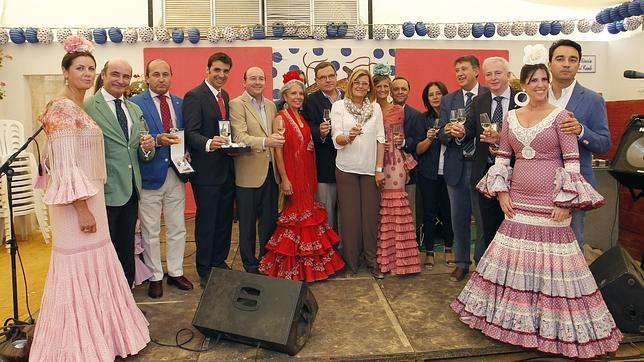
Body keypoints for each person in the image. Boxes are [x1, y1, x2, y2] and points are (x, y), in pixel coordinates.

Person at [451, 45, 622, 359]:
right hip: (517, 201)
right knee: (517, 264)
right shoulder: (512, 118)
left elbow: (572, 162)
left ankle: (553, 327)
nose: (540, 85)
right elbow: (503, 158)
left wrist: (565, 201)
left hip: (551, 202)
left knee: (555, 267)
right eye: (534, 80)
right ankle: (515, 322)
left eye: (544, 80)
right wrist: (501, 193)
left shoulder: (563, 116)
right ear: (524, 85)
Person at [31, 36, 149, 361]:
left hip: (91, 196)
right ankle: (79, 340)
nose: (86, 73)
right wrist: (82, 209)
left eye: (90, 68)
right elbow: (65, 166)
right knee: (79, 264)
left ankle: (101, 332)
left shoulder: (77, 107)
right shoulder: (61, 109)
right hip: (76, 205)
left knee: (98, 261)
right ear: (65, 73)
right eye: (79, 67)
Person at [259, 72, 345, 281]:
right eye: (293, 94)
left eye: (300, 93)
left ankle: (312, 265)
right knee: (297, 219)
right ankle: (293, 267)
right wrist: (285, 179)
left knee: (308, 216)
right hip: (293, 175)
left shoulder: (300, 116)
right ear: (285, 96)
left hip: (307, 173)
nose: (298, 97)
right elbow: (278, 151)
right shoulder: (281, 118)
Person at [85, 58, 156, 287]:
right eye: (115, 74)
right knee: (106, 253)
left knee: (126, 251)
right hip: (104, 191)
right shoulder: (88, 107)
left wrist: (148, 148)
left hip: (131, 191)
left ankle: (125, 302)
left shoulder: (134, 109)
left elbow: (140, 154)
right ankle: (107, 302)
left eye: (126, 76)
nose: (121, 80)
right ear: (103, 75)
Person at [130, 59, 193, 298]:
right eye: (155, 74)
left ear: (171, 76)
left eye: (165, 74)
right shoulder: (135, 103)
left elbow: (184, 134)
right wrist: (157, 140)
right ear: (147, 77)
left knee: (178, 227)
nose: (161, 79)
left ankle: (175, 272)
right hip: (149, 176)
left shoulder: (179, 103)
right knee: (151, 229)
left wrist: (186, 151)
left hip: (177, 173)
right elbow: (134, 137)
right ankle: (155, 275)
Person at [548, 39, 611, 249]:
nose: (566, 64)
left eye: (572, 60)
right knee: (542, 245)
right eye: (560, 58)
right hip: (538, 184)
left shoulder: (593, 100)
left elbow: (603, 144)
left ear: (578, 65)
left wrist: (581, 130)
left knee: (571, 245)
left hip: (575, 186)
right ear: (549, 64)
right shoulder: (538, 96)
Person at [183, 52, 235, 288]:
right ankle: (204, 269)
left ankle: (219, 261)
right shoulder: (194, 96)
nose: (221, 75)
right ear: (207, 70)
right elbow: (190, 133)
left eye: (225, 71)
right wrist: (208, 143)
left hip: (226, 169)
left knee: (224, 220)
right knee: (207, 222)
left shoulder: (224, 95)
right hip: (205, 172)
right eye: (217, 70)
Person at [331, 69, 386, 279]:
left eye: (365, 83)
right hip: (346, 168)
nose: (361, 86)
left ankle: (372, 261)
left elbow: (381, 139)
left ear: (369, 87)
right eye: (357, 82)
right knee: (350, 218)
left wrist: (379, 169)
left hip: (370, 170)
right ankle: (351, 262)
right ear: (350, 84)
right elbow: (336, 138)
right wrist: (348, 137)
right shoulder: (338, 106)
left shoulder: (375, 108)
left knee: (370, 218)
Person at [438, 55, 489, 282]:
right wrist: (448, 132)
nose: (459, 73)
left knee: (483, 219)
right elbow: (440, 132)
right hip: (456, 167)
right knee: (458, 218)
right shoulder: (449, 100)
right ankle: (461, 262)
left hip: (483, 167)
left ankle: (481, 264)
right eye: (456, 69)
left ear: (476, 70)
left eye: (464, 69)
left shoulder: (489, 96)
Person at [464, 57, 519, 264]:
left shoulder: (521, 99)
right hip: (486, 172)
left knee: (513, 227)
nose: (493, 78)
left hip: (517, 174)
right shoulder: (479, 101)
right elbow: (470, 129)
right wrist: (461, 131)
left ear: (508, 75)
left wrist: (503, 140)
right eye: (489, 74)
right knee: (488, 228)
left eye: (498, 73)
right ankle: (490, 275)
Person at [230, 66, 283, 274]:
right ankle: (250, 265)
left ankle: (266, 261)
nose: (258, 82)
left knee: (269, 221)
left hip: (271, 173)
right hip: (248, 174)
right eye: (253, 78)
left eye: (261, 78)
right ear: (244, 82)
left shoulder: (271, 105)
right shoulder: (236, 104)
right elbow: (239, 137)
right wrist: (266, 141)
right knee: (248, 225)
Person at [372, 68, 420, 275]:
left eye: (386, 86)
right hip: (373, 161)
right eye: (379, 86)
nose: (383, 89)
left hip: (394, 162)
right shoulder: (369, 109)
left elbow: (402, 137)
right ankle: (382, 258)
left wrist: (402, 141)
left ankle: (401, 262)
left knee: (397, 208)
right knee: (379, 209)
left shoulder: (398, 110)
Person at [412, 81, 454, 269]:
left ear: (445, 95)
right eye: (431, 95)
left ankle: (449, 249)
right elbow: (418, 150)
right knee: (428, 213)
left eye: (439, 93)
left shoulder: (453, 117)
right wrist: (429, 139)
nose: (436, 97)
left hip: (451, 173)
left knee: (448, 213)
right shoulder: (422, 119)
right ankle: (429, 252)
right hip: (428, 174)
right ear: (427, 99)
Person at [301, 62, 343, 230]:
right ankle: (330, 251)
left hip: (349, 166)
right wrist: (319, 132)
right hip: (324, 166)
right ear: (316, 81)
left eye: (331, 76)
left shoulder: (348, 98)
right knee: (327, 214)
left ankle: (347, 249)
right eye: (323, 78)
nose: (328, 80)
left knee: (347, 212)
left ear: (336, 77)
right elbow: (305, 128)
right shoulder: (310, 101)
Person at [391, 77, 422, 226]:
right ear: (391, 91)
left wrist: (403, 143)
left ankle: (409, 245)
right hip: (387, 170)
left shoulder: (416, 115)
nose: (400, 92)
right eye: (396, 89)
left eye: (403, 89)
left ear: (409, 92)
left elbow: (418, 141)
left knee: (409, 208)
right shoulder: (381, 111)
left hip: (409, 171)